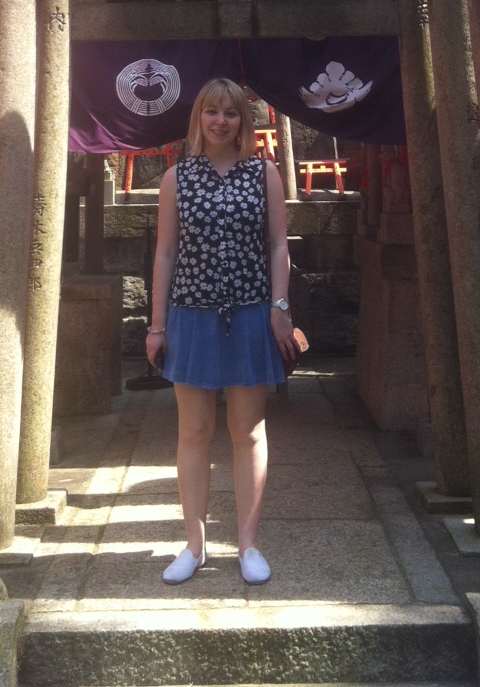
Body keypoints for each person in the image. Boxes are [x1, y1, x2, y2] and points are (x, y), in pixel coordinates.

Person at [146, 78, 297, 585]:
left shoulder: (263, 174)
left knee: (248, 431)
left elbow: (278, 244)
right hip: (191, 313)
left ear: (242, 122)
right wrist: (156, 323)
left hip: (252, 312)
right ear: (198, 119)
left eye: (230, 113)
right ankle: (194, 544)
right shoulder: (177, 178)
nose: (220, 121)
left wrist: (280, 305)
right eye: (211, 112)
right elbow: (165, 253)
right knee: (194, 431)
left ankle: (248, 544)